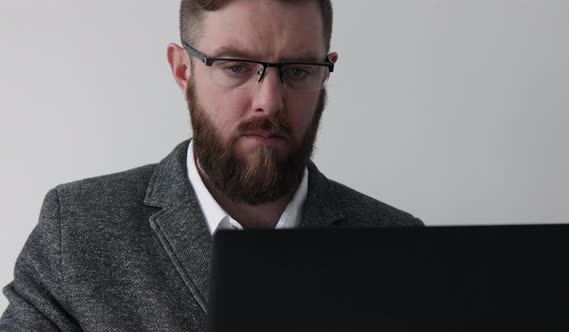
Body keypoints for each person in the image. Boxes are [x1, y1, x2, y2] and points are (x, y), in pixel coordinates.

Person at [0, 0, 422, 330]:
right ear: (183, 71)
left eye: (298, 70)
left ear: (324, 75)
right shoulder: (75, 229)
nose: (269, 101)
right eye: (236, 67)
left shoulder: (403, 247)